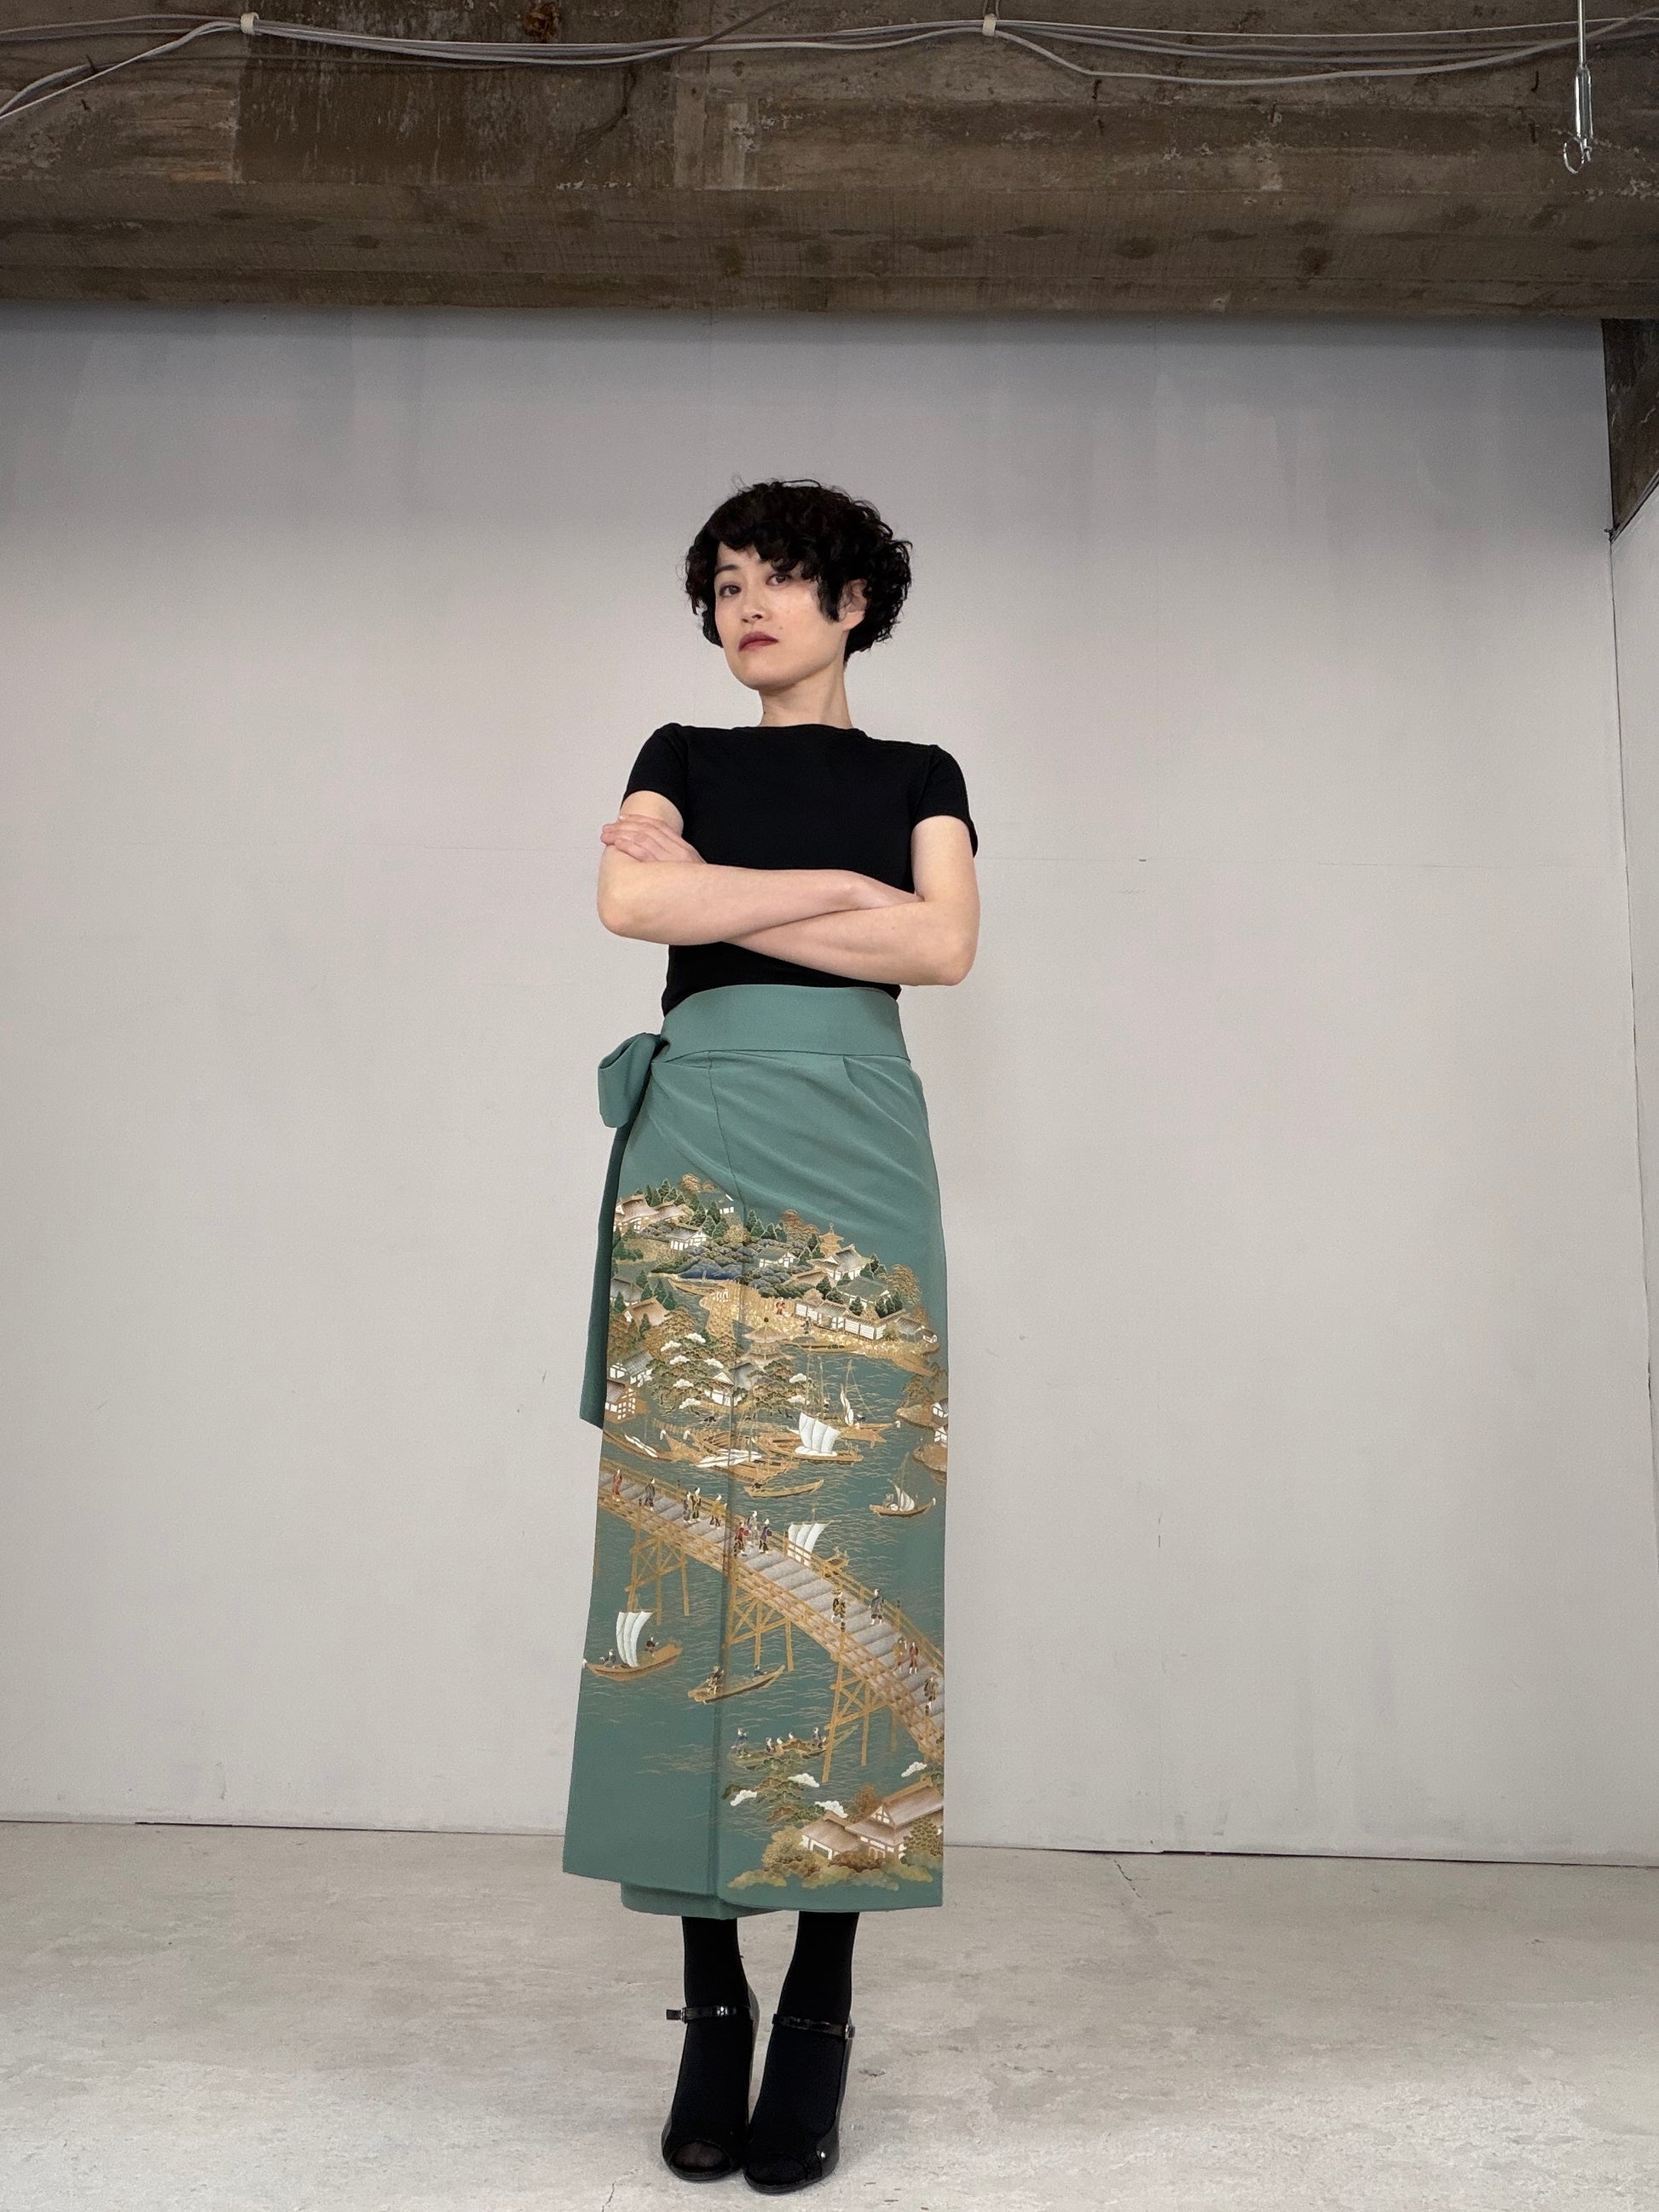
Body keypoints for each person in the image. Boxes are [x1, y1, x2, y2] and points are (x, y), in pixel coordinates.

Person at [560, 476, 979, 2192]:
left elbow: (939, 946)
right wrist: (821, 892)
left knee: (850, 1546)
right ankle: (710, 2001)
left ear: (853, 602)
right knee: (687, 1552)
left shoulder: (920, 772)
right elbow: (628, 911)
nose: (747, 604)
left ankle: (820, 1999)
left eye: (781, 578)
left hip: (857, 1148)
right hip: (698, 1143)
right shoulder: (677, 749)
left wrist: (725, 890)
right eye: (725, 581)